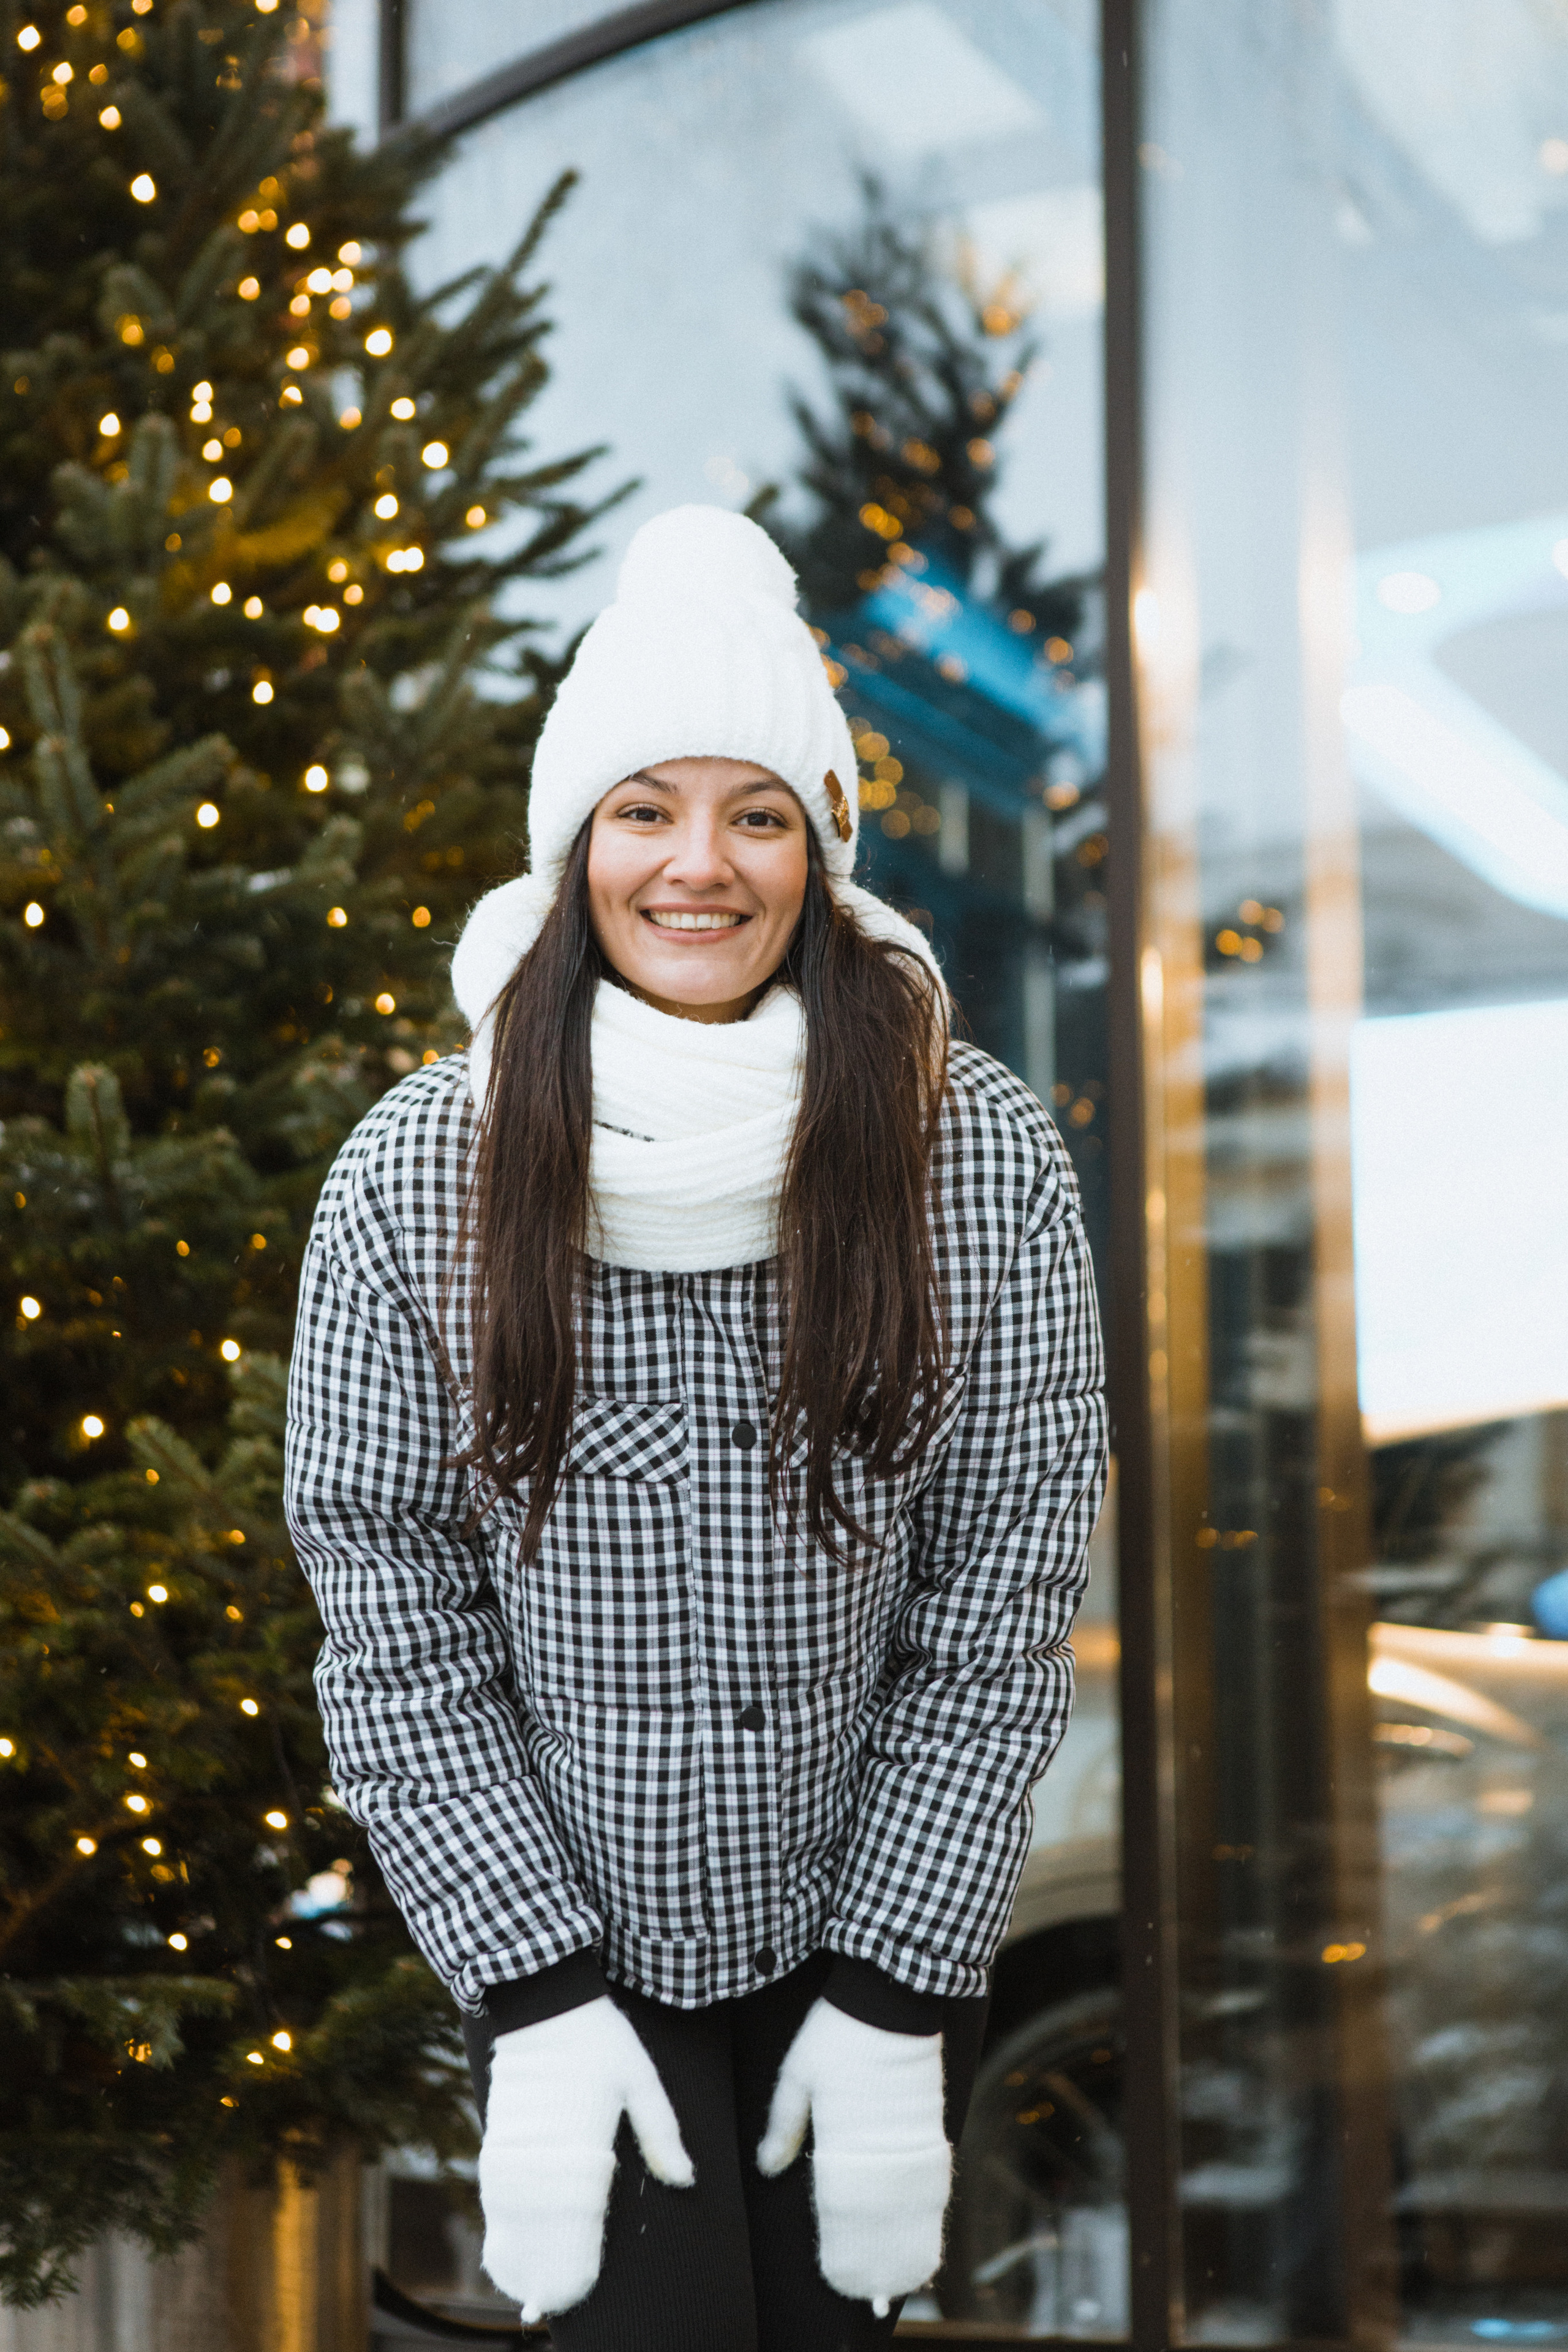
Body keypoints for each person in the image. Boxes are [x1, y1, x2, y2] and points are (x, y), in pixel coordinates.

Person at [284, 505, 1106, 2352]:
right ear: (577, 843)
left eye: (758, 814)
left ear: (820, 848)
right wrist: (538, 1985)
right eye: (646, 809)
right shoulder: (421, 1169)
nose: (699, 868)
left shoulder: (968, 1149)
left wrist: (900, 1982)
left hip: (861, 1932)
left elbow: (1002, 1587)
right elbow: (391, 1602)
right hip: (577, 1950)